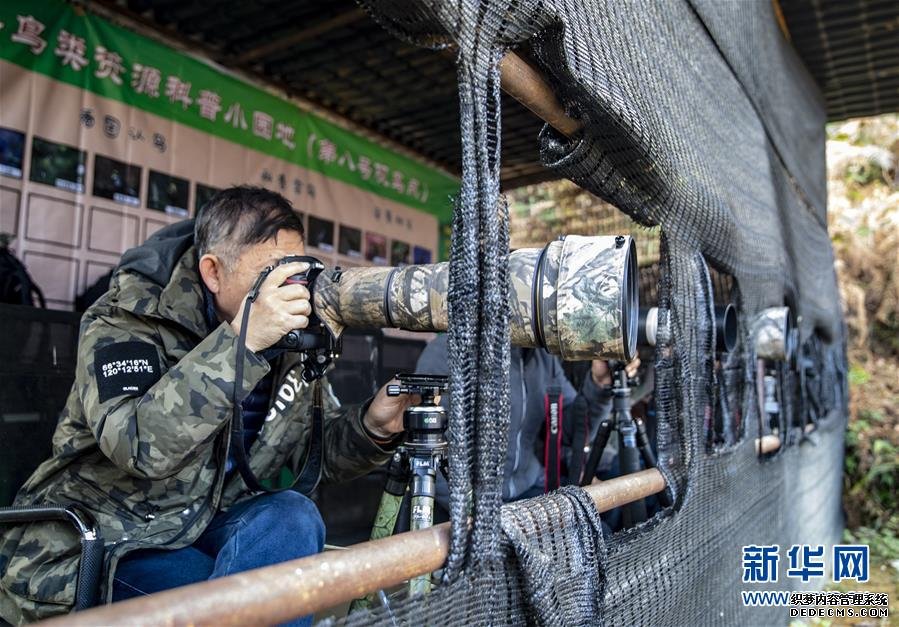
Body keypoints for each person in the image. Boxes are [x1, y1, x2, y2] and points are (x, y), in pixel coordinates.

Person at [0, 187, 412, 625]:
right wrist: (243, 343)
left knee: (292, 515)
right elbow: (140, 446)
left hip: (208, 523)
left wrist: (374, 426)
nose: (288, 290)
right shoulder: (128, 319)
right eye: (271, 274)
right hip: (109, 542)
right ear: (213, 272)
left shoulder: (286, 335)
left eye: (296, 272)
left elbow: (314, 454)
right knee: (237, 597)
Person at [416, 334, 639, 504]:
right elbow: (429, 455)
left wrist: (600, 383)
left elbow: (572, 431)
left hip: (529, 489)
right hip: (470, 504)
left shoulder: (542, 357)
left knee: (600, 532)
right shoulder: (449, 348)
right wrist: (474, 516)